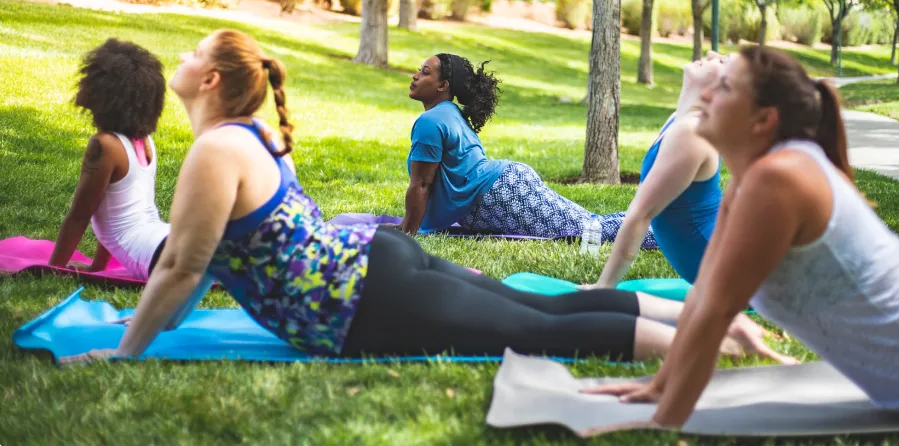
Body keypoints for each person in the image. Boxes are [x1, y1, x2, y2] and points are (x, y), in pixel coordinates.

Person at [60, 30, 789, 365]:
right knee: (545, 310)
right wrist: (148, 333)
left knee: (541, 331)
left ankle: (720, 339)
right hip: (378, 266)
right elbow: (196, 267)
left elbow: (185, 268)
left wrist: (128, 351)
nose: (179, 63)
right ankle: (714, 322)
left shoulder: (217, 149)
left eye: (191, 56)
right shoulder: (246, 137)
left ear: (212, 81)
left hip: (364, 295)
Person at [584, 45, 899, 424]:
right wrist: (659, 388)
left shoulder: (778, 178)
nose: (706, 94)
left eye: (725, 88)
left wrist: (663, 423)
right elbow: (704, 295)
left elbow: (718, 311)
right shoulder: (750, 179)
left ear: (763, 121)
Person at [401, 53, 656, 248]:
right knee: (589, 223)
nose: (414, 76)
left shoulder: (431, 121)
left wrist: (406, 234)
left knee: (589, 231)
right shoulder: (449, 114)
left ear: (443, 85)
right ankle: (658, 223)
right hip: (501, 187)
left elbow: (422, 185)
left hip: (499, 194)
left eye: (424, 73)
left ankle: (667, 235)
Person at [586, 52, 725, 287]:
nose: (711, 53)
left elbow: (640, 216)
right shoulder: (679, 120)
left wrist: (603, 288)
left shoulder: (692, 133)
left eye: (722, 61)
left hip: (731, 277)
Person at [48, 39, 171, 281]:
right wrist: (97, 266)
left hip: (159, 254)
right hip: (165, 239)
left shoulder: (105, 145)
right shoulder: (144, 141)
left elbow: (79, 215)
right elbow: (116, 213)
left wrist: (53, 268)